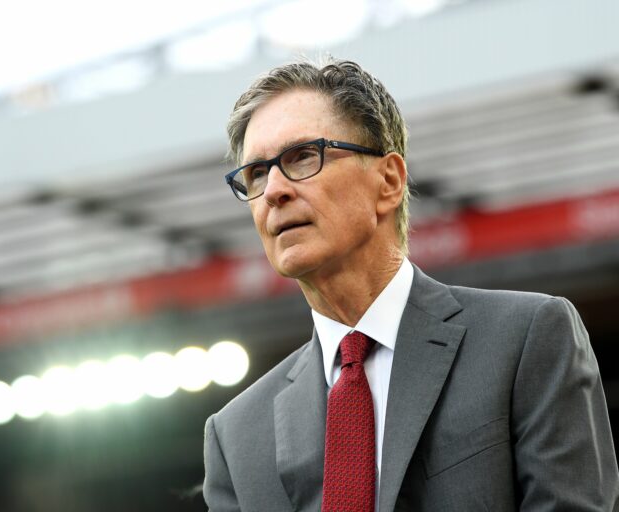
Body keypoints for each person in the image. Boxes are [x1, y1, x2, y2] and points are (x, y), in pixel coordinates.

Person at [202, 58, 619, 512]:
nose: (274, 190)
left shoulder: (526, 338)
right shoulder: (236, 436)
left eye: (302, 156)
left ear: (389, 180)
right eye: (257, 174)